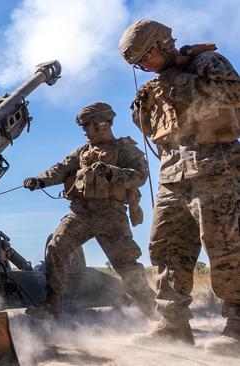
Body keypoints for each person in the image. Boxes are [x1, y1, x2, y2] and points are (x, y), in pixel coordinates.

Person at [119, 19, 240, 356]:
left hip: (217, 167)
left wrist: (179, 83)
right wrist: (151, 95)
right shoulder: (154, 84)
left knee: (226, 248)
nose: (143, 68)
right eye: (137, 65)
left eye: (145, 59)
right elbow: (146, 124)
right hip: (173, 175)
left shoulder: (205, 63)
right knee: (165, 248)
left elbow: (234, 94)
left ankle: (237, 326)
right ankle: (173, 326)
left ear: (162, 45)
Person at [23, 102, 157, 319]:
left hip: (111, 215)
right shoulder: (83, 152)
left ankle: (153, 313)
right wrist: (39, 180)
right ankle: (51, 306)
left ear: (102, 124)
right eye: (83, 126)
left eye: (87, 126)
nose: (85, 131)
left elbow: (140, 176)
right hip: (81, 213)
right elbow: (61, 168)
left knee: (126, 265)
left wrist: (111, 172)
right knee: (55, 248)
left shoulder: (126, 149)